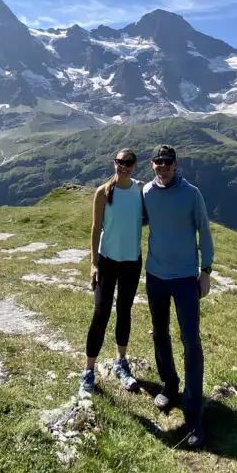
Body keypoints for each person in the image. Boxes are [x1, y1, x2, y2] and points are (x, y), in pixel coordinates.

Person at [143, 144, 213, 449]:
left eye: (168, 162)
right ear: (152, 165)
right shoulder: (146, 192)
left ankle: (194, 412)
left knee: (191, 341)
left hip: (186, 278)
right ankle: (170, 386)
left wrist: (206, 270)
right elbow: (135, 216)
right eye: (158, 162)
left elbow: (205, 231)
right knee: (159, 333)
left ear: (176, 164)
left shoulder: (192, 193)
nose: (163, 167)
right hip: (155, 276)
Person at [79, 148, 144, 396]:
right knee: (101, 313)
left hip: (132, 262)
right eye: (118, 162)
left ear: (135, 166)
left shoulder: (141, 190)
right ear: (114, 163)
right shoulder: (103, 192)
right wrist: (93, 263)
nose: (122, 166)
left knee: (124, 311)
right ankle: (88, 371)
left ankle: (121, 362)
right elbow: (95, 230)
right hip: (107, 262)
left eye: (127, 162)